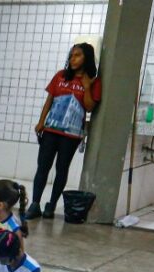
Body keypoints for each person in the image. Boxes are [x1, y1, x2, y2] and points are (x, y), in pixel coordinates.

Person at [27, 43, 101, 220]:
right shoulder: (61, 76)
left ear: (87, 58)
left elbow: (90, 107)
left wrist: (87, 87)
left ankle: (51, 206)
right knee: (43, 166)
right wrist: (41, 122)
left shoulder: (93, 80)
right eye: (71, 55)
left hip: (72, 134)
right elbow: (50, 100)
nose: (72, 59)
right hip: (51, 129)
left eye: (77, 55)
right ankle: (35, 203)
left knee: (62, 168)